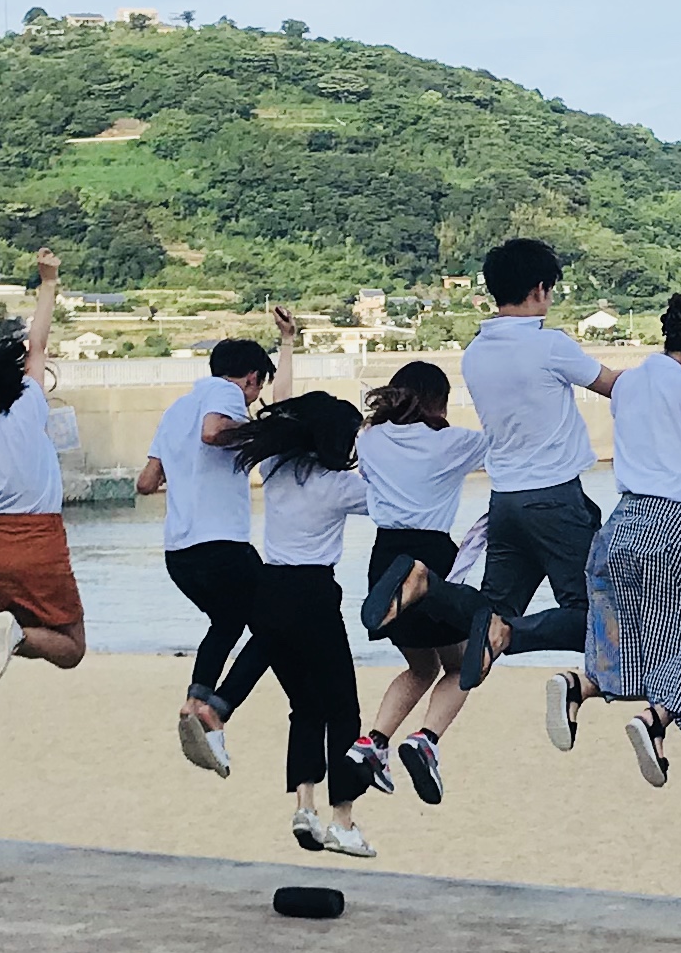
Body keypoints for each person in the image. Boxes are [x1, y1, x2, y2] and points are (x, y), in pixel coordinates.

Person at [577, 293, 681, 785]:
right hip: (673, 524)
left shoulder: (630, 382)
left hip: (622, 523)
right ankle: (657, 718)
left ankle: (579, 686)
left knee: (631, 634)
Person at [457, 235, 621, 751]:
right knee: (596, 616)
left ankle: (428, 599)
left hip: (504, 503)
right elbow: (613, 385)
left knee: (489, 615)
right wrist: (671, 378)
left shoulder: (474, 354)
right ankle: (525, 643)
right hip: (554, 500)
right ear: (539, 290)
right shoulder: (550, 345)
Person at [137, 308, 297, 776]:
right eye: (258, 389)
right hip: (221, 545)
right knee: (280, 622)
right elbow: (212, 433)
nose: (254, 398)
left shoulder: (174, 411)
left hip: (179, 554)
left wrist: (189, 482)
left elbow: (146, 483)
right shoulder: (226, 393)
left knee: (227, 622)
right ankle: (217, 709)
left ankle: (194, 702)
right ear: (251, 378)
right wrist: (264, 432)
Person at [223, 388, 381, 857]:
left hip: (270, 593)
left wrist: (288, 352)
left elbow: (287, 403)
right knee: (343, 711)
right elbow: (390, 499)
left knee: (306, 706)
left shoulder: (274, 469)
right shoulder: (341, 486)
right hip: (313, 594)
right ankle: (342, 820)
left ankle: (304, 806)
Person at [351, 360, 505, 806]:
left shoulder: (371, 438)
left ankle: (374, 742)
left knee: (421, 666)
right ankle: (426, 739)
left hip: (385, 559)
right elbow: (506, 445)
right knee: (468, 663)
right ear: (439, 400)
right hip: (432, 559)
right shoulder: (453, 443)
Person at [0, 250, 89, 684]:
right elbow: (37, 345)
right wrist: (48, 283)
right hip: (41, 542)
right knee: (71, 648)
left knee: (26, 630)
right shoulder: (26, 411)